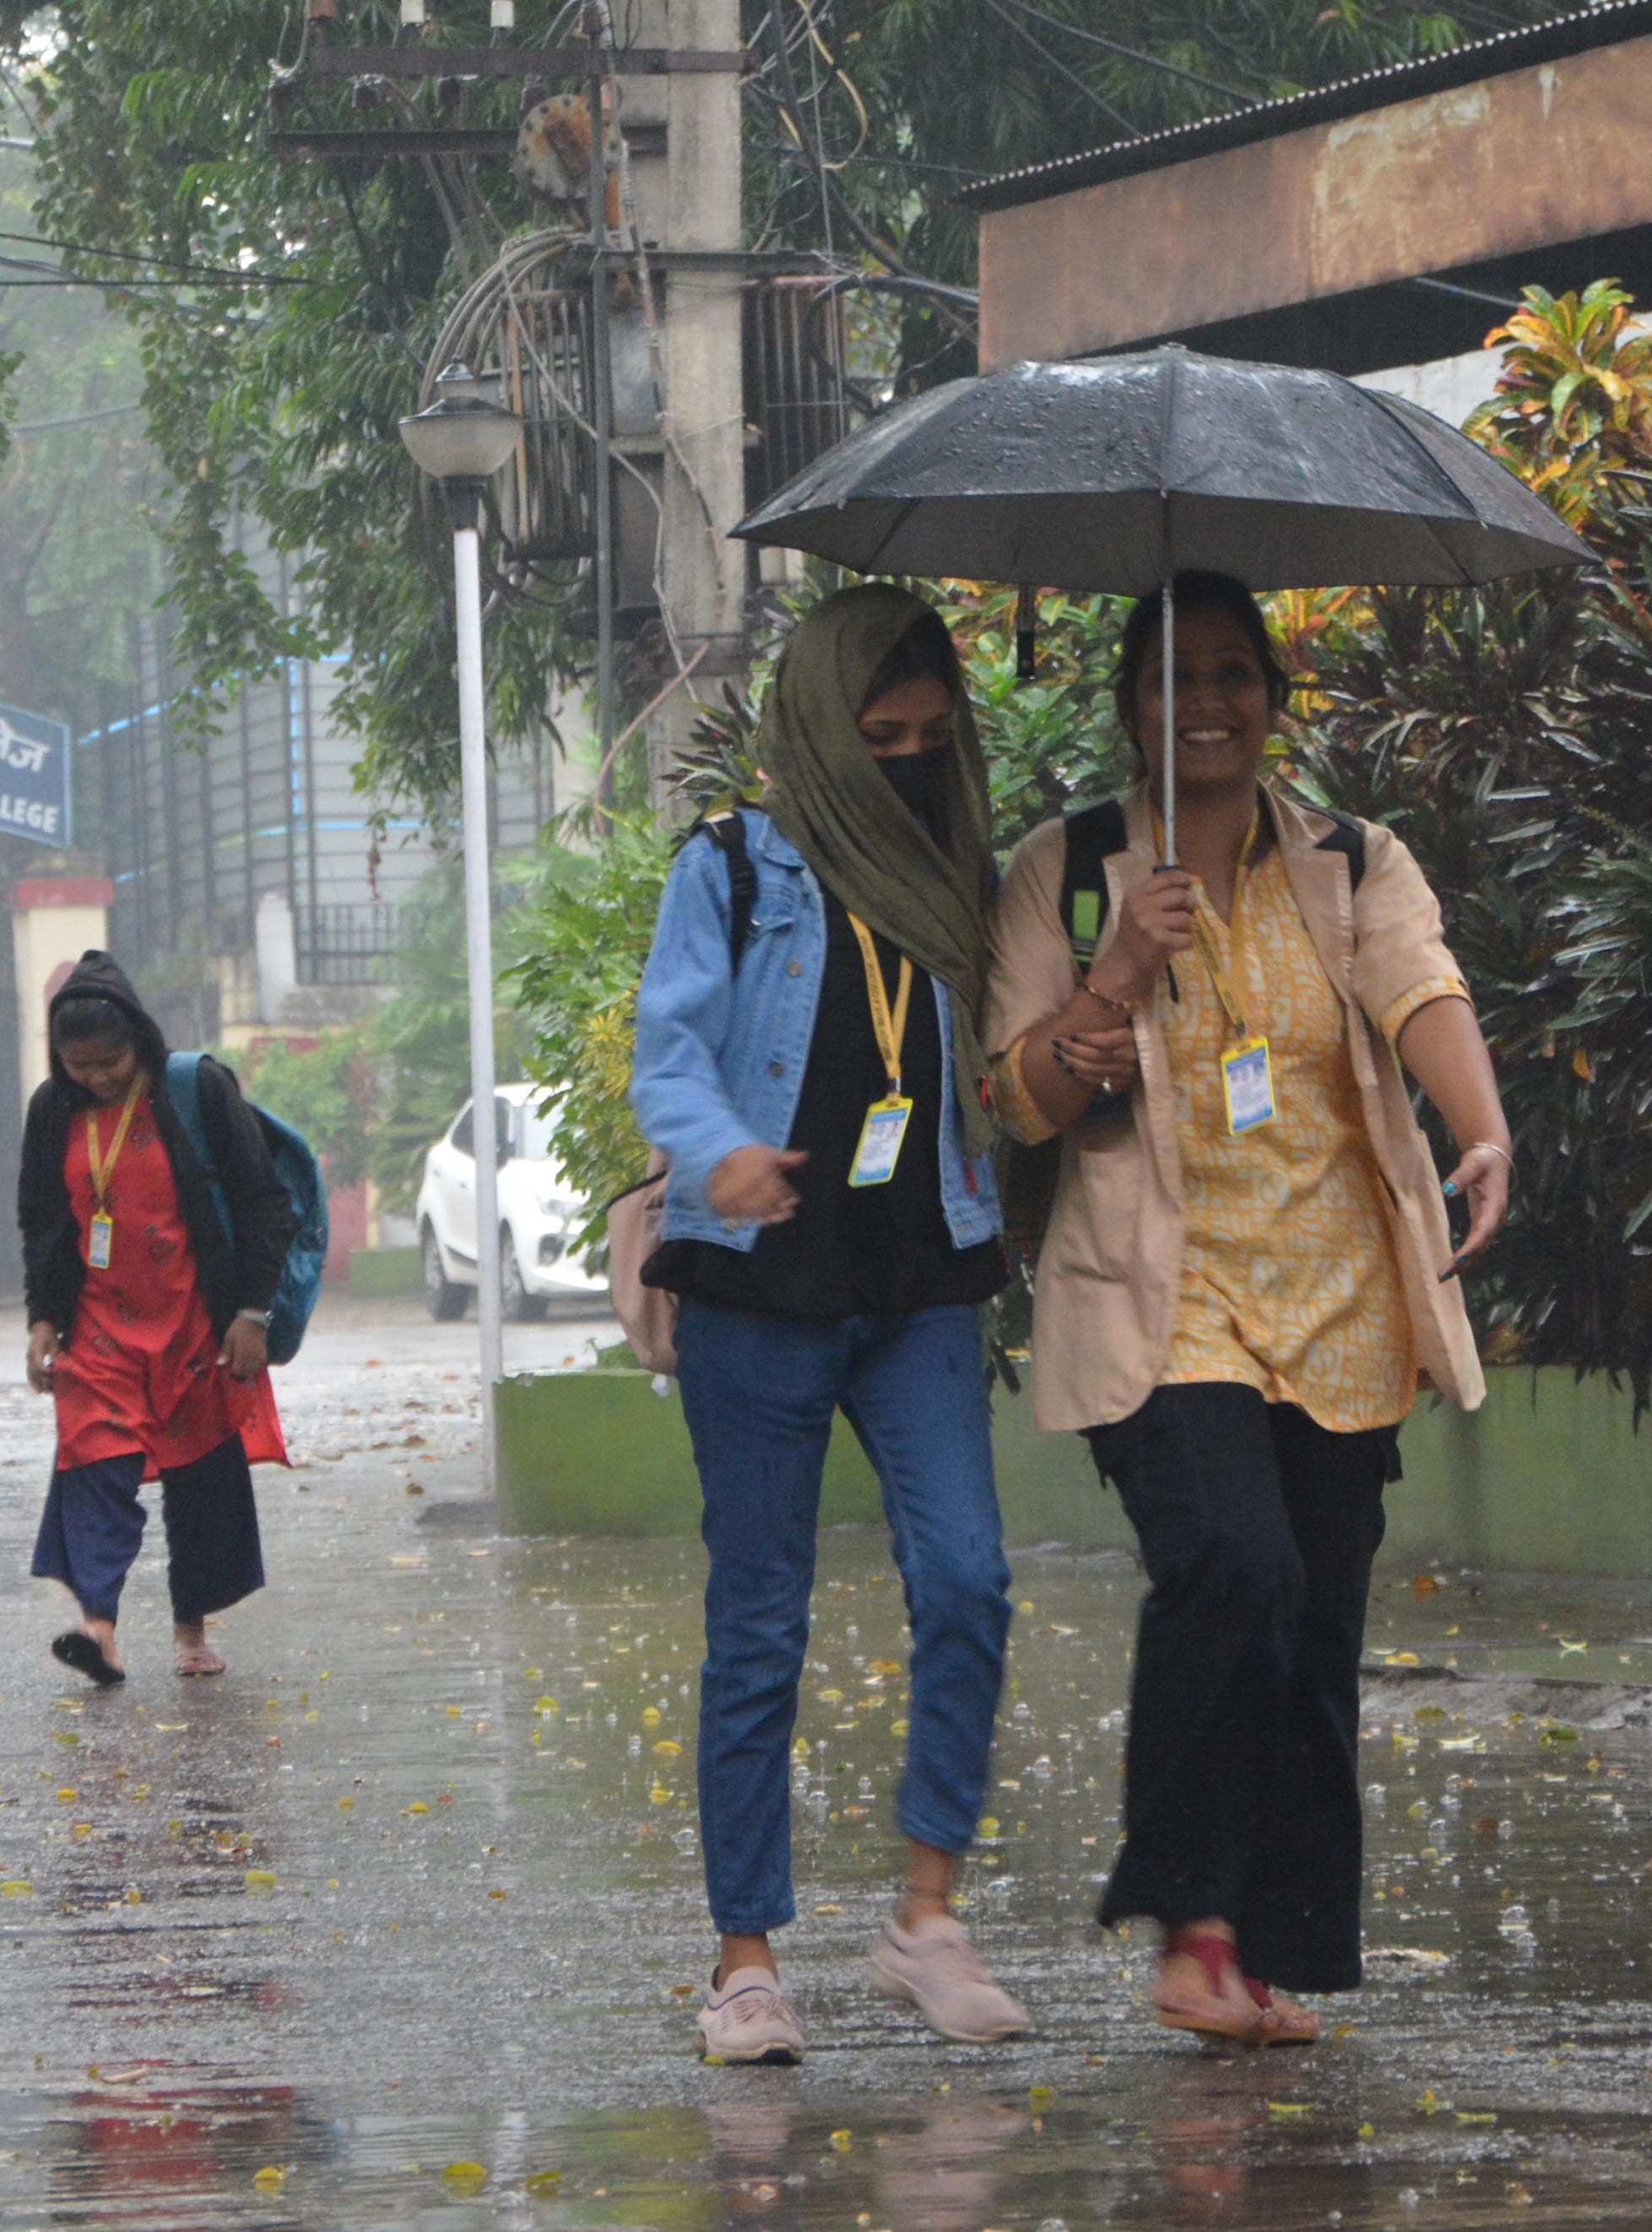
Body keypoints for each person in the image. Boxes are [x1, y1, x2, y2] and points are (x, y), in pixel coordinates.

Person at [983, 572, 1512, 2047]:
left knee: (1314, 1622)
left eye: (1231, 673)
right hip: (1163, 1298)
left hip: (1342, 1300)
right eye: (1169, 677)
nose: (1203, 703)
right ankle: (1191, 1921)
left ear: (1272, 700)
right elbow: (1012, 1102)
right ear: (1124, 707)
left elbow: (1420, 990)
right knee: (1233, 1561)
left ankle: (1255, 1956)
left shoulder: (1350, 857)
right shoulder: (1069, 866)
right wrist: (1116, 969)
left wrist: (1482, 1127)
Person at [630, 583, 1027, 2065]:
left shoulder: (964, 870)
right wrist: (718, 1142)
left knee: (971, 1576)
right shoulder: (731, 869)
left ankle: (926, 1915)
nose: (907, 762)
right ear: (816, 729)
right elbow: (665, 1053)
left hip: (921, 1280)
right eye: (878, 735)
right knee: (759, 1624)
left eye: (930, 736)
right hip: (760, 1284)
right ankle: (745, 1962)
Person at [19, 955, 296, 1687]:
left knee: (200, 1476)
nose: (97, 1078)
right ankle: (99, 1630)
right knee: (92, 1462)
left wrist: (250, 1313)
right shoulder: (53, 1108)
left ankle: (189, 1632)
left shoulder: (193, 1088)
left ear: (138, 1040)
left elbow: (265, 1204)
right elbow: (42, 1222)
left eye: (108, 1061)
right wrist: (42, 1320)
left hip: (192, 1321)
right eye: (78, 1065)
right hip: (99, 1324)